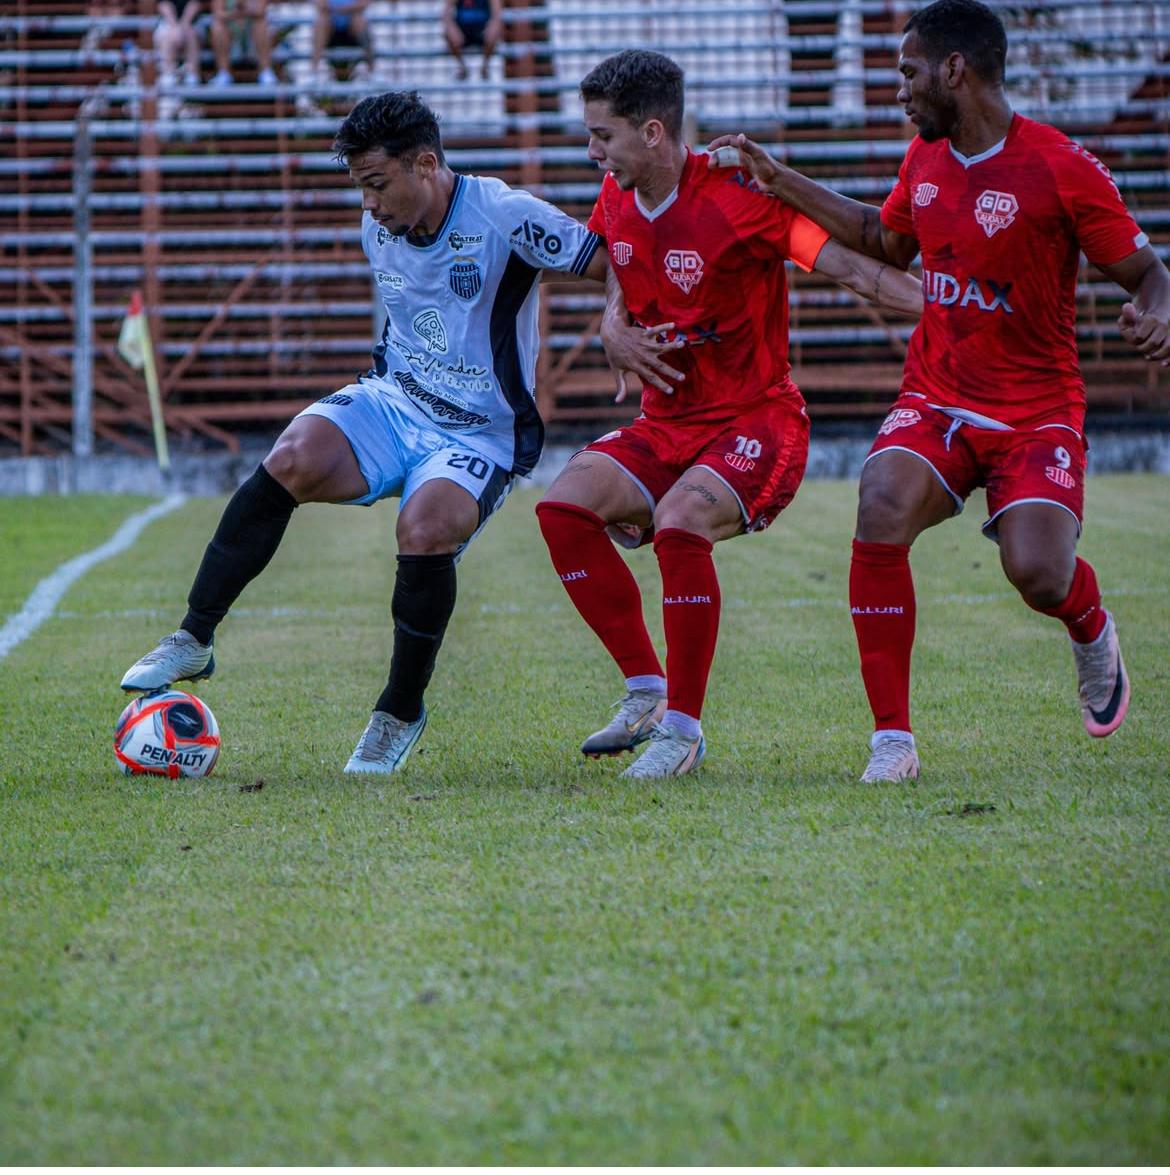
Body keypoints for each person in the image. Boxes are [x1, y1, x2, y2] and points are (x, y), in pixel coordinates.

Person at [708, 0, 1170, 782]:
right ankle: (893, 740)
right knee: (880, 499)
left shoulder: (1060, 166)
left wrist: (1158, 313)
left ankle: (1090, 627)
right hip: (938, 397)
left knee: (1039, 574)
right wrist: (781, 181)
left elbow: (1150, 274)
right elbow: (883, 239)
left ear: (956, 69)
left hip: (1035, 413)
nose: (900, 89)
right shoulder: (924, 161)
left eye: (908, 71)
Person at [120, 90, 608, 773]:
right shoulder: (376, 222)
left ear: (427, 164)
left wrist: (620, 325)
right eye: (359, 187)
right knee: (292, 455)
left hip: (480, 434)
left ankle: (399, 710)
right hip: (395, 400)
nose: (369, 203)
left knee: (425, 529)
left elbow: (608, 260)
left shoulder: (503, 215)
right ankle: (194, 636)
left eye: (377, 184)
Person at [535, 50, 923, 780]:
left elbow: (851, 267)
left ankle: (682, 732)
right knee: (561, 509)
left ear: (653, 133)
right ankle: (647, 692)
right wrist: (612, 325)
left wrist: (954, 306)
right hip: (666, 424)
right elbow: (620, 265)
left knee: (681, 521)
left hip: (757, 421)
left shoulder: (740, 199)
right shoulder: (617, 195)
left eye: (602, 136)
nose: (591, 152)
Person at [209, 0, 276, 85]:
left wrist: (244, 9)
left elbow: (261, 11)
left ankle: (266, 72)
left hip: (252, 33)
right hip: (231, 32)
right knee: (218, 27)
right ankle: (223, 73)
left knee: (261, 24)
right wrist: (236, 13)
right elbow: (218, 13)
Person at [311, 0, 373, 84]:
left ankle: (372, 70)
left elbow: (364, 4)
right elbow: (320, 5)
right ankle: (314, 71)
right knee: (321, 21)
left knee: (359, 20)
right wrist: (348, 9)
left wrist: (336, 9)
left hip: (351, 28)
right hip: (331, 29)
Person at [442, 0, 502, 82]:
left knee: (495, 31)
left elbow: (497, 14)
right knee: (448, 33)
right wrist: (451, 26)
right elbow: (446, 14)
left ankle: (485, 67)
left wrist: (493, 25)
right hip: (462, 31)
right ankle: (462, 67)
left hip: (482, 30)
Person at [155, 0, 203, 87]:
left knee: (191, 34)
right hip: (168, 23)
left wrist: (183, 26)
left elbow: (195, 3)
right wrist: (175, 27)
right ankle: (168, 74)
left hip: (192, 23)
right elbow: (163, 4)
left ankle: (192, 75)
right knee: (168, 35)